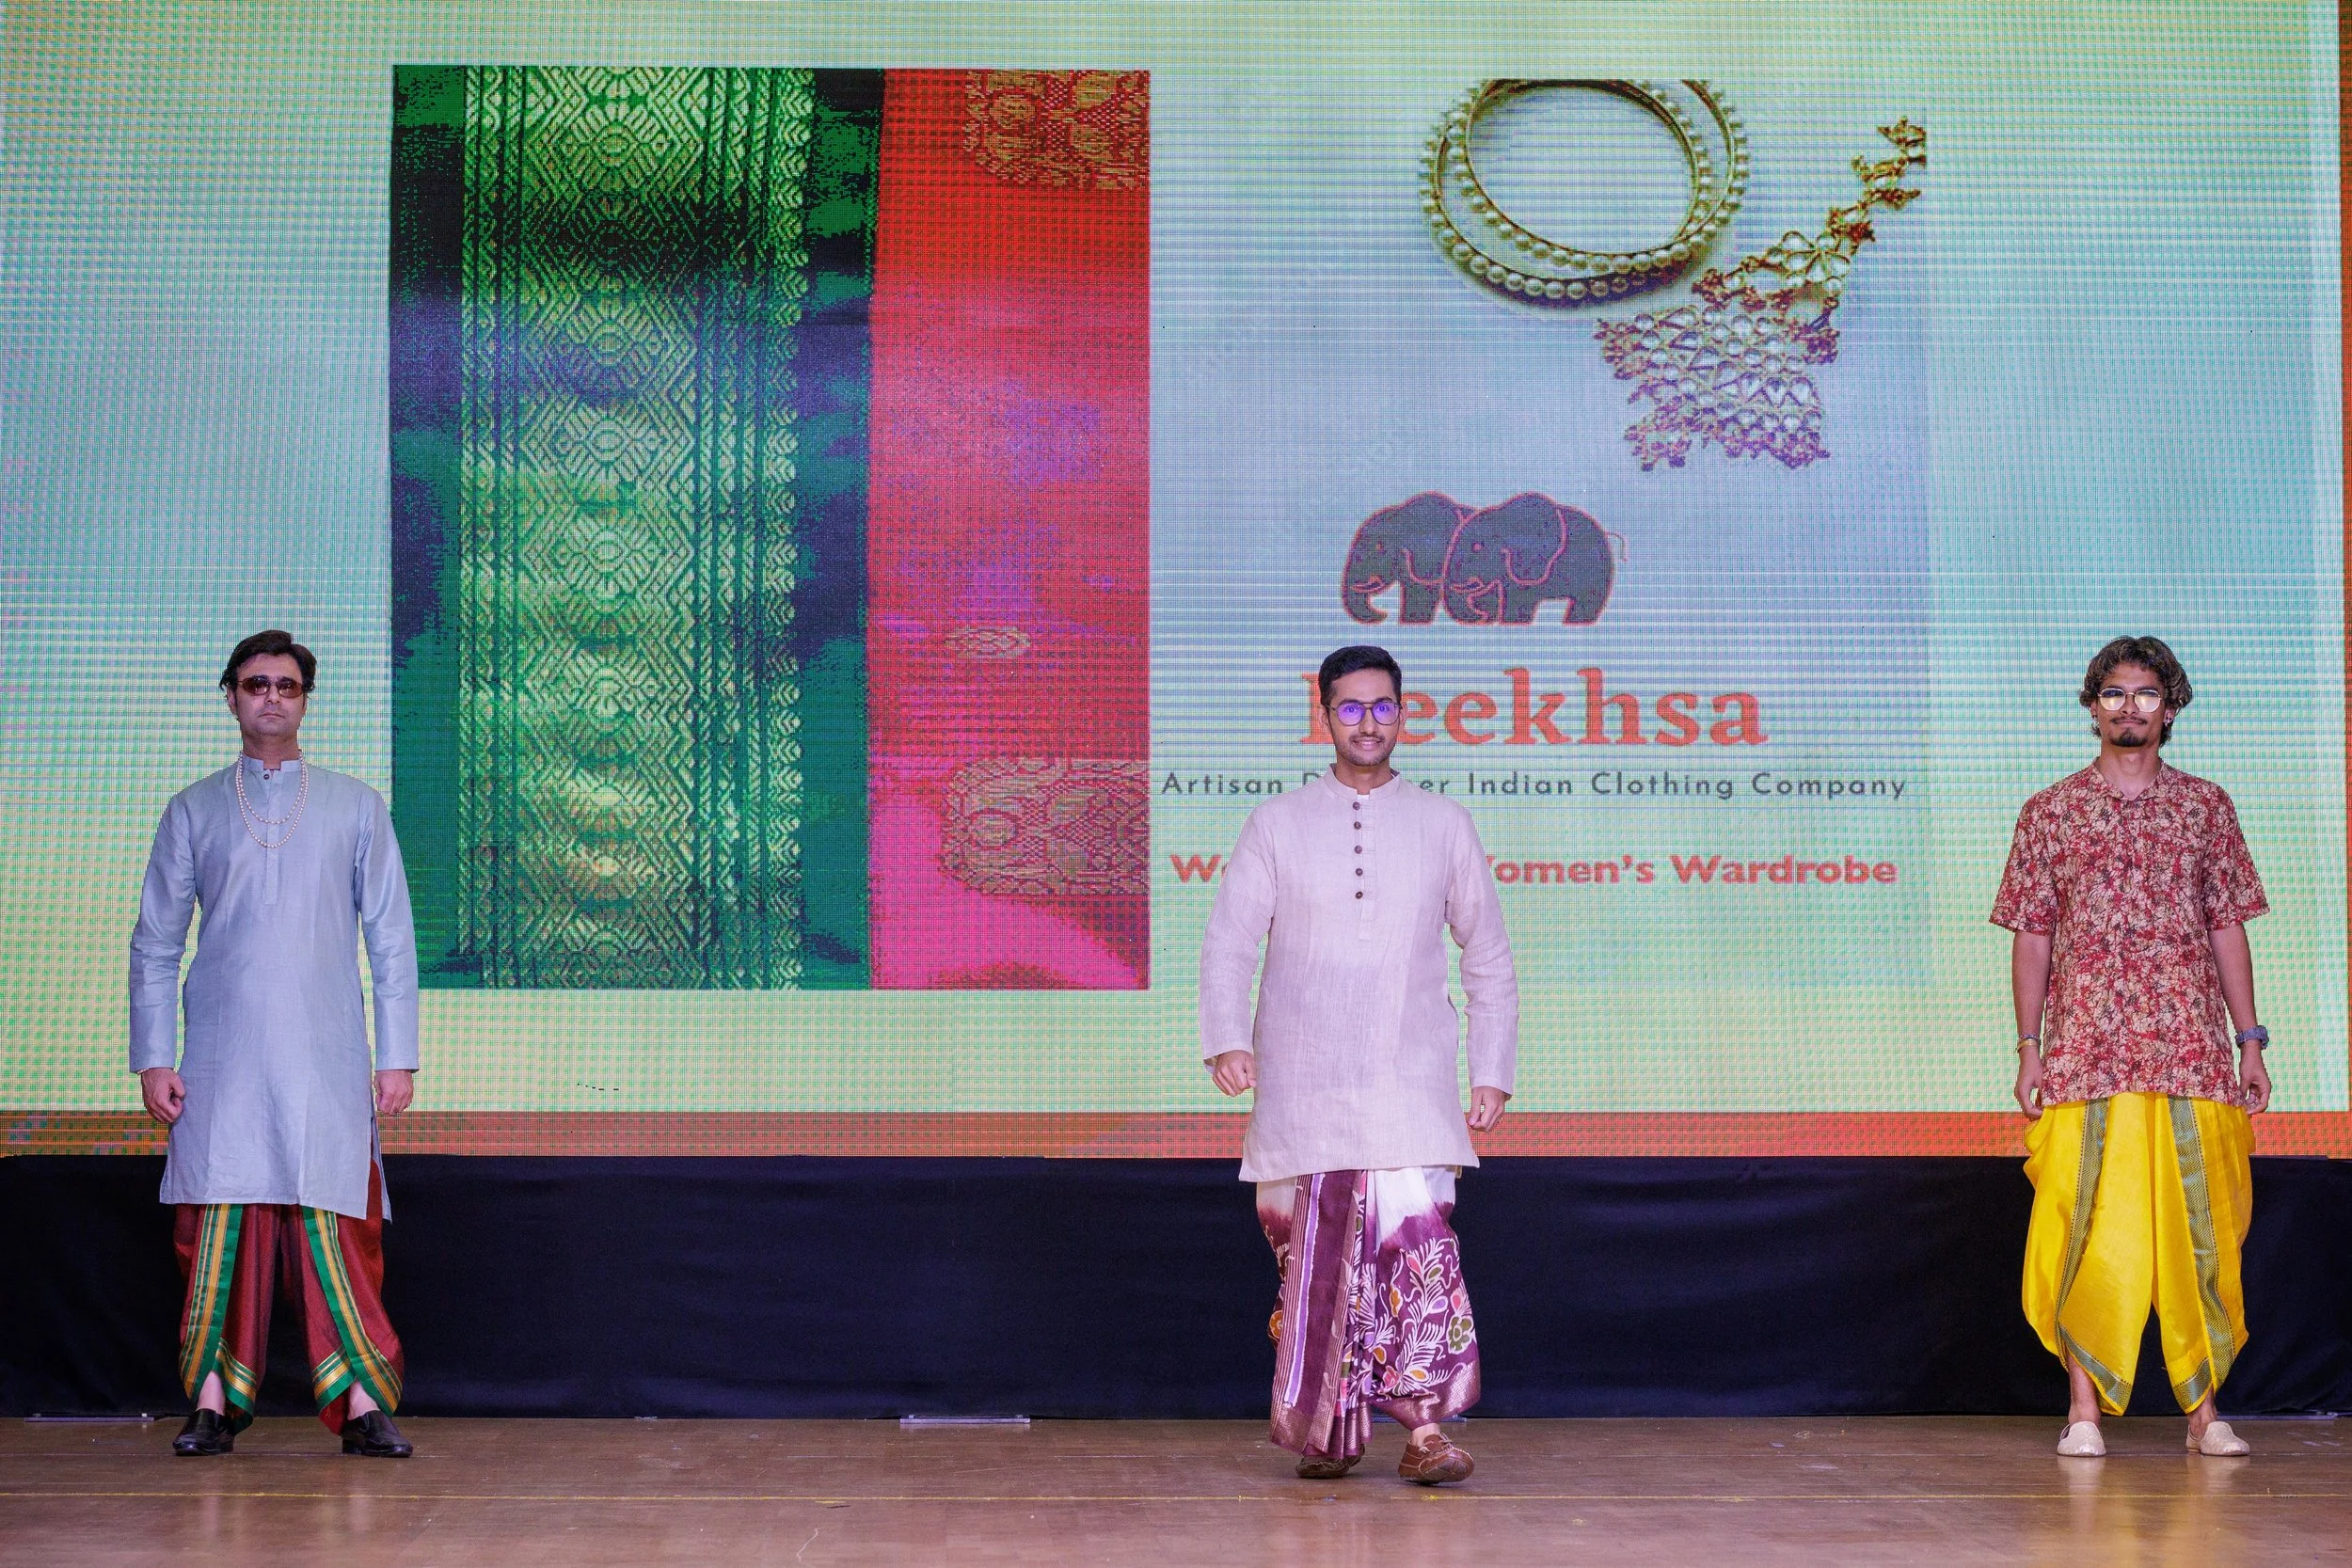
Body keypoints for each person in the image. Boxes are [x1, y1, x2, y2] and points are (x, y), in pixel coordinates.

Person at [1199, 644, 1518, 1485]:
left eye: (1383, 706)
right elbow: (1231, 939)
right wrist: (1227, 1037)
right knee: (1309, 1258)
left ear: (1403, 714)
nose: (1368, 722)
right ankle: (1328, 1428)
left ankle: (1424, 1435)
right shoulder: (1277, 822)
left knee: (1418, 1254)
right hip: (1302, 1086)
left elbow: (1485, 952)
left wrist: (1492, 1065)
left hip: (1408, 1082)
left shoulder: (1444, 822)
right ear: (1326, 715)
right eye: (1351, 707)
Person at [129, 630, 421, 1458]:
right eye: (256, 683)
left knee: (341, 1226)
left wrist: (396, 1055)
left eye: (287, 686)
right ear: (230, 696)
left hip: (326, 1053)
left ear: (304, 700)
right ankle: (213, 1403)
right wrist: (154, 1056)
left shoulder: (355, 804)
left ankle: (363, 1402)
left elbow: (391, 939)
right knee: (215, 1229)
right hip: (220, 1057)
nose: (271, 697)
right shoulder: (192, 808)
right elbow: (155, 942)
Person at [1992, 635, 2271, 1459]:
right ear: (2092, 707)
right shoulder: (2050, 810)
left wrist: (2249, 1040)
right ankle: (2083, 1410)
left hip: (2188, 1048)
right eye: (2113, 693)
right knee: (2086, 1227)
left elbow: (2228, 928)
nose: (2128, 707)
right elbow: (2032, 937)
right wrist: (2029, 1046)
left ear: (2170, 707)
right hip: (2085, 1052)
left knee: (2198, 1232)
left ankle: (2203, 1413)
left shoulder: (2206, 807)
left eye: (2145, 694)